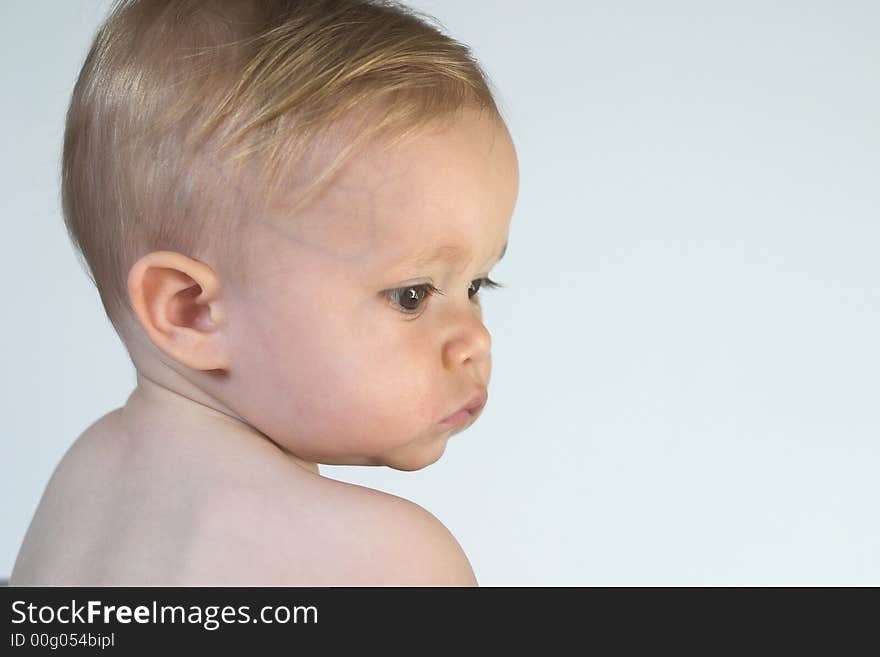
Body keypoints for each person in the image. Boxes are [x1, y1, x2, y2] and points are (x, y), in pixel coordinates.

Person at [10, 0, 518, 586]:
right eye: (412, 295)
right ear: (191, 311)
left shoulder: (85, 478)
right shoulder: (386, 559)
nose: (474, 341)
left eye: (476, 284)